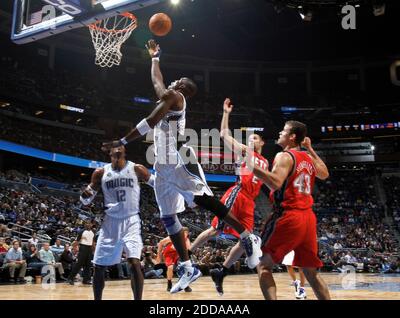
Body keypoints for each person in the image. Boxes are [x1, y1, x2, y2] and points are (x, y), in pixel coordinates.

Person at [102, 39, 262, 293]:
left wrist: (121, 141)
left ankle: (246, 235)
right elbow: (156, 83)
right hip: (163, 167)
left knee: (203, 199)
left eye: (177, 81)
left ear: (181, 87)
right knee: (168, 217)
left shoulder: (175, 97)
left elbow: (150, 121)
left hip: (179, 158)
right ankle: (188, 266)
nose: (172, 82)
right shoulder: (169, 97)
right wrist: (155, 57)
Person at [190, 98, 269, 296]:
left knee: (247, 240)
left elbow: (269, 183)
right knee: (215, 230)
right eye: (250, 138)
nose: (252, 139)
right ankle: (186, 255)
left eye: (256, 138)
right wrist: (226, 113)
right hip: (238, 193)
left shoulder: (266, 161)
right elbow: (224, 134)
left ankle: (222, 271)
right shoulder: (245, 151)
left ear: (263, 142)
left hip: (250, 201)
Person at [250, 121, 331, 300]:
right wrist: (309, 149)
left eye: (284, 131)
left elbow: (275, 182)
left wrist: (250, 165)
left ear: (292, 137)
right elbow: (324, 174)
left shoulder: (284, 156)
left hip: (288, 215)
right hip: (308, 218)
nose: (280, 132)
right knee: (311, 272)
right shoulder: (307, 158)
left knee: (263, 265)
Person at [80, 145, 153, 300]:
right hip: (110, 222)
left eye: (121, 146)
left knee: (134, 262)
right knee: (99, 267)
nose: (118, 148)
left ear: (125, 151)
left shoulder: (137, 169)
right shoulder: (100, 172)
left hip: (131, 220)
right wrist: (84, 196)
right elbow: (86, 200)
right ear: (110, 152)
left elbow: (156, 184)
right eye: (115, 146)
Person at [157, 227, 192, 292]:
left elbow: (189, 250)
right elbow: (161, 243)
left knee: (184, 268)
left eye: (186, 233)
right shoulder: (173, 237)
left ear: (188, 234)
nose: (185, 234)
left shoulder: (187, 240)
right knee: (170, 268)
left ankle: (185, 285)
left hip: (178, 255)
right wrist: (159, 255)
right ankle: (169, 283)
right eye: (183, 233)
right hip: (168, 254)